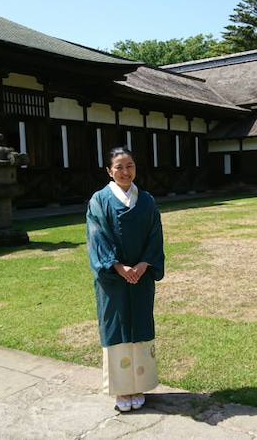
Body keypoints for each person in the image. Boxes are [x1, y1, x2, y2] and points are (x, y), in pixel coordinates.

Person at [86, 146, 165, 412]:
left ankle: (140, 384)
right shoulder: (99, 200)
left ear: (135, 168)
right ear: (109, 171)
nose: (125, 171)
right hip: (114, 280)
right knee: (116, 326)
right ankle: (121, 389)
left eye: (129, 165)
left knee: (141, 324)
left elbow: (155, 234)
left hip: (141, 277)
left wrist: (143, 265)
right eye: (118, 167)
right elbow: (98, 237)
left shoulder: (146, 200)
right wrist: (118, 267)